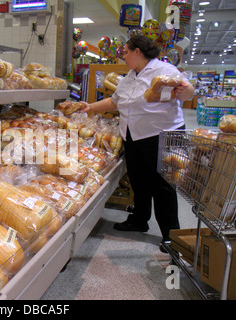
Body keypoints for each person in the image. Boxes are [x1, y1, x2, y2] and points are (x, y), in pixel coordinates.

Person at [81, 35, 194, 251]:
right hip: (133, 136)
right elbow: (114, 102)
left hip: (161, 135)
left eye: (125, 52)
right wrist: (90, 107)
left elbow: (187, 92)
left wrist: (185, 90)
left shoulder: (165, 71)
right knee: (138, 181)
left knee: (163, 186)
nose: (123, 56)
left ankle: (171, 236)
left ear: (137, 52)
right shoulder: (129, 77)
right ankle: (139, 220)